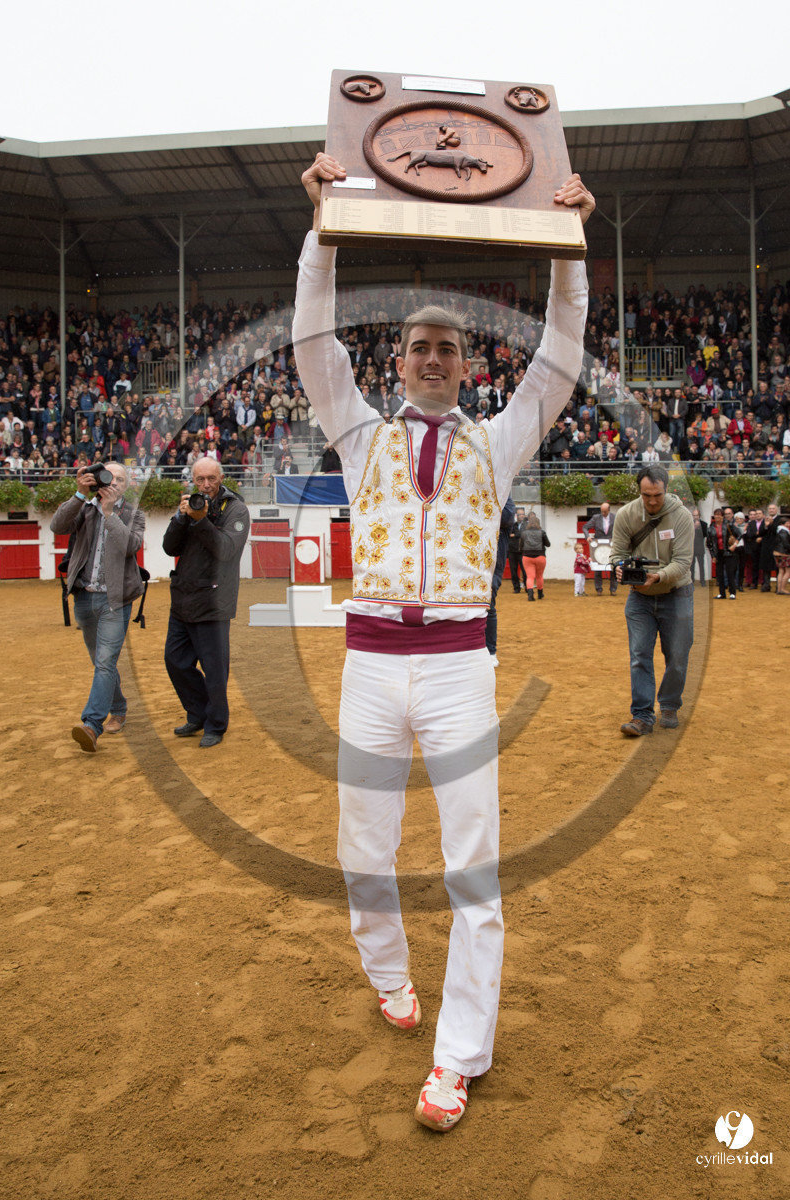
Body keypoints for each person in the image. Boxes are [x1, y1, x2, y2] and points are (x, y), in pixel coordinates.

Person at [294, 151, 593, 1132]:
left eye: (446, 349)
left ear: (465, 365)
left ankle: (456, 1058)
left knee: (474, 866)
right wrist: (324, 223)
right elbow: (310, 344)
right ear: (397, 361)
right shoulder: (358, 434)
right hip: (372, 663)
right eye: (417, 345)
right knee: (361, 852)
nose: (429, 357)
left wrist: (565, 250)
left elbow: (557, 357)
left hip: (462, 664)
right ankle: (388, 973)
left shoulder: (497, 441)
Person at [50, 462, 145, 751]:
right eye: (108, 477)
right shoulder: (85, 507)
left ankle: (92, 724)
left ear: (126, 486)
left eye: (119, 479)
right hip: (84, 596)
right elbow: (57, 526)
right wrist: (79, 495)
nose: (112, 483)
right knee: (101, 661)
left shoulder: (133, 513)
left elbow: (131, 546)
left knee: (105, 662)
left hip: (115, 601)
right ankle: (118, 706)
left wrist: (109, 513)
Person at [162, 457, 250, 748]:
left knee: (214, 670)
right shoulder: (191, 506)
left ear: (221, 477)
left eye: (211, 478)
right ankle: (198, 713)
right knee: (175, 661)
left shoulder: (235, 508)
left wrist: (201, 522)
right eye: (200, 479)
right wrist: (180, 517)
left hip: (214, 601)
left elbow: (225, 550)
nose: (206, 485)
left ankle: (215, 725)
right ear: (193, 479)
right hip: (183, 598)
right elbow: (169, 547)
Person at [610, 464, 694, 736]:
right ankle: (642, 716)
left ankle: (669, 704)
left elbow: (682, 562)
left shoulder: (681, 516)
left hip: (677, 594)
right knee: (639, 656)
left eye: (657, 495)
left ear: (666, 490)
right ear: (640, 490)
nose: (652, 501)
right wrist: (619, 567)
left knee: (677, 656)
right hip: (639, 599)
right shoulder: (626, 514)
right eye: (646, 495)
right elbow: (617, 553)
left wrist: (657, 577)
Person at [485, 495, 516, 664]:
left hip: (492, 563)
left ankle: (490, 651)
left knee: (489, 605)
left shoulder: (505, 499)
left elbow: (506, 517)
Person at [582, 502, 617, 594]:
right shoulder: (596, 518)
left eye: (605, 511)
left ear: (609, 510)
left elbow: (621, 528)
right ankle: (599, 589)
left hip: (611, 545)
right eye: (602, 511)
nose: (603, 513)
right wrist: (588, 536)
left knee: (613, 566)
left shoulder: (615, 517)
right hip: (598, 546)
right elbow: (585, 527)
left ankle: (613, 589)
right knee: (597, 567)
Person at [520, 511, 551, 601]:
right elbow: (548, 544)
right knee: (539, 576)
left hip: (527, 556)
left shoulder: (524, 533)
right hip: (540, 556)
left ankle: (530, 595)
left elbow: (521, 546)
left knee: (530, 577)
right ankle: (540, 594)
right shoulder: (542, 532)